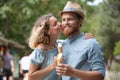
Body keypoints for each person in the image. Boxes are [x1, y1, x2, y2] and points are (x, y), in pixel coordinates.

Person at [56, 1, 105, 80]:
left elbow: (100, 75)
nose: (66, 23)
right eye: (63, 20)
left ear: (80, 21)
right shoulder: (61, 45)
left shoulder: (91, 43)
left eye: (70, 19)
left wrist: (73, 72)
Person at [28, 13, 61, 80]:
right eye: (55, 24)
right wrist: (52, 66)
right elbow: (30, 76)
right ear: (47, 31)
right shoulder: (40, 51)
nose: (60, 24)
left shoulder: (59, 44)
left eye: (58, 21)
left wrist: (86, 36)